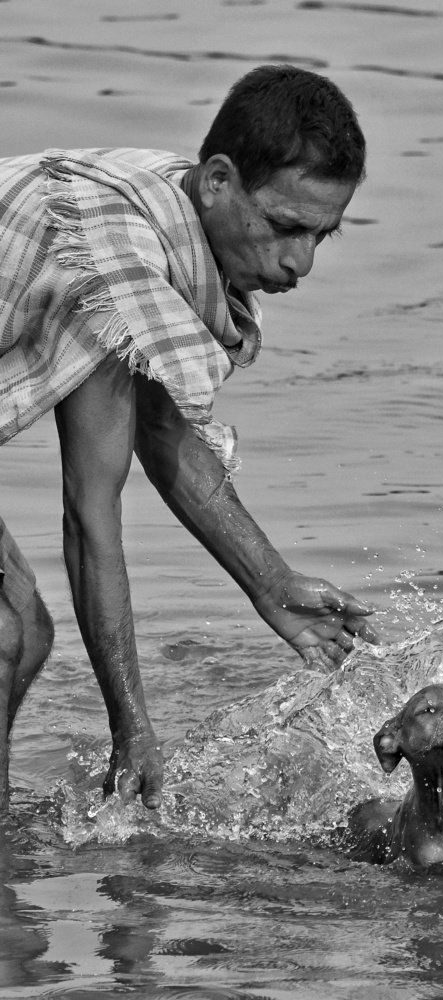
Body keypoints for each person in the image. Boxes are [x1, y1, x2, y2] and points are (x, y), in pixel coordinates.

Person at [0, 64, 378, 813]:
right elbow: (89, 515)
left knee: (23, 635)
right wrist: (132, 729)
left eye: (320, 235)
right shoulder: (109, 260)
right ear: (218, 181)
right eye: (283, 227)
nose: (299, 263)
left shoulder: (160, 204)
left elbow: (160, 423)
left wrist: (271, 583)